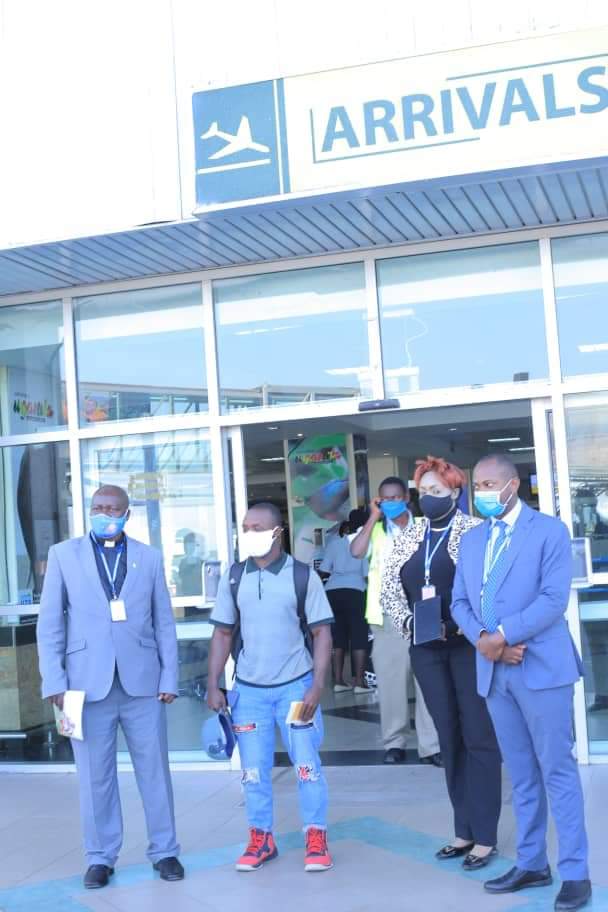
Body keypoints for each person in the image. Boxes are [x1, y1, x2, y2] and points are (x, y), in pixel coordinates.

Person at [451, 454, 591, 912]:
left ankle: (575, 872)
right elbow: (459, 603)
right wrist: (486, 643)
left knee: (557, 772)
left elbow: (553, 599)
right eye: (477, 483)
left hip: (542, 669)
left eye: (489, 482)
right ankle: (532, 862)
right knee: (523, 775)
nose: (482, 491)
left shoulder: (548, 531)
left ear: (512, 486)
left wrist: (502, 636)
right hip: (496, 673)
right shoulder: (472, 541)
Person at [37, 485, 184, 890]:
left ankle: (165, 851)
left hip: (143, 685)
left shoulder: (148, 558)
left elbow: (164, 624)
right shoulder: (64, 555)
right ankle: (100, 857)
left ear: (127, 514)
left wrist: (169, 676)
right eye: (99, 508)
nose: (106, 514)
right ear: (90, 511)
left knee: (154, 771)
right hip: (81, 689)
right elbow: (49, 624)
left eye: (114, 509)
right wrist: (54, 680)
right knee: (93, 777)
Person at [381, 456, 501, 871]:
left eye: (437, 491)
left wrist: (459, 624)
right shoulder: (408, 536)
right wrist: (410, 622)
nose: (428, 498)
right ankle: (462, 830)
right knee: (449, 738)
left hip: (466, 646)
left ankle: (486, 836)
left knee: (478, 737)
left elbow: (489, 588)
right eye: (423, 492)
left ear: (455, 492)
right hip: (426, 649)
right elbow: (389, 591)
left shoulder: (473, 531)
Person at [207, 502, 334, 873]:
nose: (249, 533)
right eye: (245, 527)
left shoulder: (301, 576)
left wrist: (317, 686)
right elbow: (223, 633)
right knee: (254, 770)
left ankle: (316, 835)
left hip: (296, 689)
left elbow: (321, 632)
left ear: (277, 532)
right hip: (249, 694)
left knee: (307, 765)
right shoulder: (234, 577)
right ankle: (261, 838)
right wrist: (213, 683)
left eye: (257, 527)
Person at [350, 477, 440, 766]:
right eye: (384, 499)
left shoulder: (426, 527)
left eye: (395, 497)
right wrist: (373, 517)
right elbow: (356, 552)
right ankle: (394, 742)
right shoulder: (374, 531)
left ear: (407, 498)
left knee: (429, 682)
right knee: (391, 683)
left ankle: (431, 745)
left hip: (423, 613)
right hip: (387, 618)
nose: (390, 502)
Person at [319, 509, 370, 693]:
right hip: (355, 591)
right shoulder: (365, 544)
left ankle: (339, 681)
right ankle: (359, 682)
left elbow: (324, 570)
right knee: (359, 637)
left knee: (337, 638)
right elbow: (366, 575)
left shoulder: (335, 543)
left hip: (332, 592)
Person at [177, 532, 203, 596]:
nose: (190, 546)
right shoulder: (181, 563)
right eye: (188, 544)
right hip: (186, 598)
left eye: (192, 543)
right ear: (185, 546)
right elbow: (180, 580)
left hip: (200, 596)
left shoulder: (201, 562)